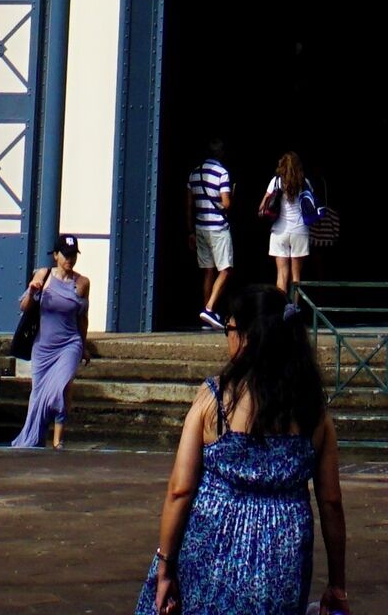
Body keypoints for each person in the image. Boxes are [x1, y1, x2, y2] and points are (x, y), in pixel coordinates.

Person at [143, 278, 348, 615]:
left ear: (248, 337)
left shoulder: (213, 399)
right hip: (284, 549)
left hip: (213, 541)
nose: (227, 336)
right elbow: (331, 502)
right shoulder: (313, 409)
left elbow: (180, 490)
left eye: (229, 328)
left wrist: (165, 565)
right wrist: (337, 584)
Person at [12, 232, 90, 452]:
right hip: (44, 346)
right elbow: (24, 307)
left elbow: (82, 318)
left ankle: (58, 439)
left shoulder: (82, 283)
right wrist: (33, 291)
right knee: (39, 392)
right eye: (65, 254)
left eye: (73, 255)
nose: (69, 259)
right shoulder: (43, 275)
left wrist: (83, 347)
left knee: (62, 386)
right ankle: (36, 435)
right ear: (55, 255)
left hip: (69, 344)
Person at [188, 148, 234, 329]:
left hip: (200, 227)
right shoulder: (222, 173)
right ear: (221, 154)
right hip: (218, 227)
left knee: (208, 271)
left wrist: (190, 231)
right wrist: (230, 199)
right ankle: (209, 308)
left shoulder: (194, 173)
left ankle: (206, 318)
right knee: (226, 269)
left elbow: (189, 205)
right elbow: (227, 204)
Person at [262, 151, 316, 291]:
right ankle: (294, 308)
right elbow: (312, 205)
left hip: (279, 231)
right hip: (300, 230)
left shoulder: (276, 181)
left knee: (281, 274)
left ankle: (282, 309)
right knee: (296, 277)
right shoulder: (304, 182)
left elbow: (263, 206)